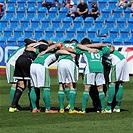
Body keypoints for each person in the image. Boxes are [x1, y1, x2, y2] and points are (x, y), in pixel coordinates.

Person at [9, 39, 49, 113]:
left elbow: (27, 44)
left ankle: (13, 106)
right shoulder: (42, 47)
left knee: (21, 85)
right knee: (32, 84)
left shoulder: (31, 45)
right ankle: (33, 106)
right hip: (28, 60)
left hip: (19, 60)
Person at [77, 38, 111, 114]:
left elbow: (78, 46)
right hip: (100, 68)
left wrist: (86, 47)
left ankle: (83, 110)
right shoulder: (100, 50)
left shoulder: (84, 50)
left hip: (90, 69)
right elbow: (110, 49)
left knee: (87, 88)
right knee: (100, 88)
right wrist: (101, 45)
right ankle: (102, 109)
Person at [30, 42, 63, 113]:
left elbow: (30, 48)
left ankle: (34, 108)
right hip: (41, 66)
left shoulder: (40, 52)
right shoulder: (55, 53)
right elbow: (57, 45)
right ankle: (47, 109)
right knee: (46, 87)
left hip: (33, 65)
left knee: (33, 87)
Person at [105, 45, 129, 113]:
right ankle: (117, 107)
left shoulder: (100, 50)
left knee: (112, 83)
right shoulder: (106, 48)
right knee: (119, 83)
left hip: (117, 62)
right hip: (123, 60)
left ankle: (109, 108)